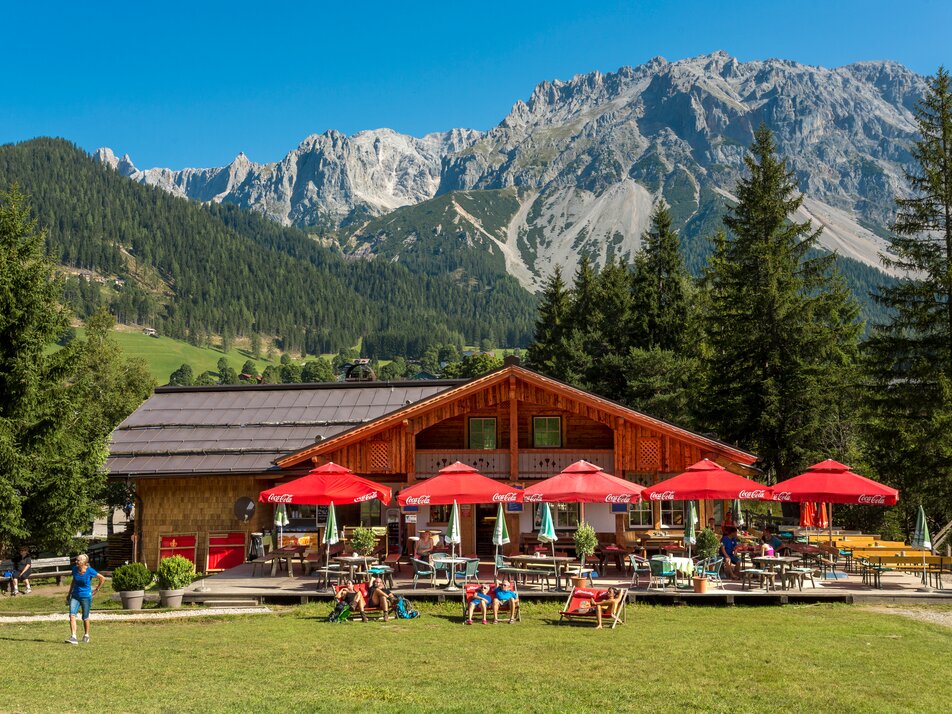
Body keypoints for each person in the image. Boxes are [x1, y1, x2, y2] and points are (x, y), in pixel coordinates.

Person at [65, 553, 105, 644]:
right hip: (75, 595)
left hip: (86, 596)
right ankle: (73, 637)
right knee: (72, 615)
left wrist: (96, 590)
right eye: (76, 560)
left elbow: (102, 578)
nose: (76, 562)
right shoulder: (75, 569)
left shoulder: (90, 571)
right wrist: (69, 594)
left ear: (84, 562)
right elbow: (73, 581)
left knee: (85, 617)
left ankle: (86, 635)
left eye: (78, 560)